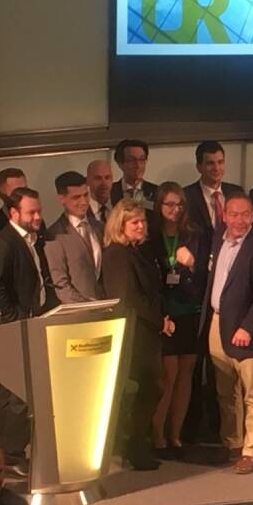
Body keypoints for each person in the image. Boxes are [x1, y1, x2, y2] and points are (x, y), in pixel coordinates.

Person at [202, 195, 253, 474]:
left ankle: (252, 450)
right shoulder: (217, 241)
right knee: (226, 390)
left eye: (245, 214)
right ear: (224, 216)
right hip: (217, 323)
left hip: (248, 330)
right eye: (233, 214)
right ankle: (232, 443)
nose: (239, 220)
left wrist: (247, 327)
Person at [0, 187, 50, 474]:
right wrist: (17, 319)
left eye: (39, 211)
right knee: (15, 394)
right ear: (13, 213)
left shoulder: (30, 239)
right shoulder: (3, 242)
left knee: (20, 393)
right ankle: (9, 455)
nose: (37, 217)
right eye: (31, 212)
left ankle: (12, 451)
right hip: (13, 328)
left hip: (29, 322)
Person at [102, 199, 172, 470]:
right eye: (134, 222)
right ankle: (130, 446)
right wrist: (159, 321)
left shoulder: (136, 252)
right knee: (146, 388)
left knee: (150, 388)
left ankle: (134, 444)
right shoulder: (117, 255)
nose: (141, 226)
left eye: (142, 221)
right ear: (120, 225)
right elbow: (128, 297)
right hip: (134, 332)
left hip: (146, 329)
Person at [146, 182, 209, 458]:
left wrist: (191, 263)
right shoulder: (151, 236)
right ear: (159, 206)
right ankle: (157, 435)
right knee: (168, 377)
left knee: (186, 375)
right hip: (165, 313)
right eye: (169, 204)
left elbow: (204, 273)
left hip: (190, 309)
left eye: (179, 204)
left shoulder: (193, 233)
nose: (175, 209)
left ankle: (176, 434)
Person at [44, 171, 104, 304]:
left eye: (86, 195)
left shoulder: (100, 227)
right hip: (78, 310)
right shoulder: (55, 235)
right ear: (62, 199)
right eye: (76, 197)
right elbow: (61, 284)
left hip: (107, 306)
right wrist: (86, 305)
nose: (83, 202)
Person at [183, 140, 244, 246]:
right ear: (199, 167)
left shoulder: (236, 192)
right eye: (210, 163)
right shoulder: (186, 196)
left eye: (220, 162)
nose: (216, 168)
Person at [110, 139, 157, 206]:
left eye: (141, 159)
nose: (138, 165)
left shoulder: (157, 192)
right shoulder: (109, 192)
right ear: (120, 163)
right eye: (132, 160)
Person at [86, 159, 114, 224]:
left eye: (107, 177)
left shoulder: (120, 205)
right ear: (87, 181)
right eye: (98, 178)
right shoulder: (81, 211)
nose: (104, 183)